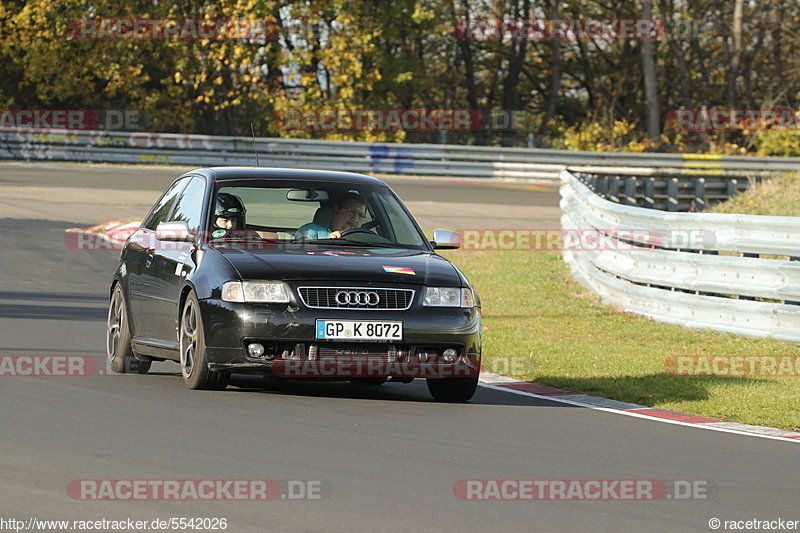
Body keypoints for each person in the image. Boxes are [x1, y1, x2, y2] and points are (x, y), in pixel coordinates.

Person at [295, 192, 367, 240]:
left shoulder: (366, 238)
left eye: (361, 215)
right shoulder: (311, 230)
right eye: (351, 211)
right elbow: (304, 253)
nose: (356, 219)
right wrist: (328, 243)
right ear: (336, 210)